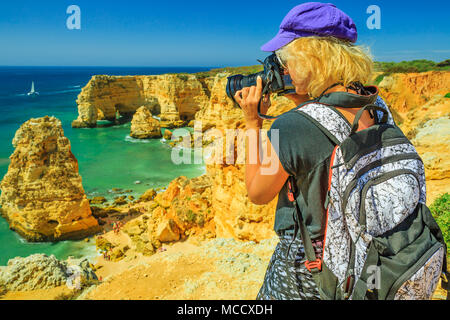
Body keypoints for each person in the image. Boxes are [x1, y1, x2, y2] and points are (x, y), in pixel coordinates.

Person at [233, 2, 388, 300]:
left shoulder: (292, 127)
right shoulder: (376, 106)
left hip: (309, 275)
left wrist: (252, 124)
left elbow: (257, 193)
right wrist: (302, 101)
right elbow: (329, 135)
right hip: (366, 267)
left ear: (310, 58)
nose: (285, 69)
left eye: (287, 60)